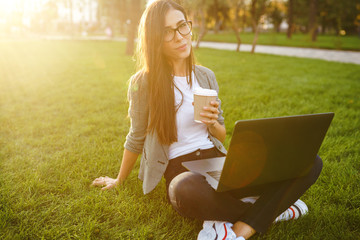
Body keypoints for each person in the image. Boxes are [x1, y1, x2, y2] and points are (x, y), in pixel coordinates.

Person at [92, 1, 323, 239]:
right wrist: (119, 179)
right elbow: (136, 135)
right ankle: (270, 211)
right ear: (155, 39)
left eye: (182, 26)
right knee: (183, 190)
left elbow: (220, 135)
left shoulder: (206, 77)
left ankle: (244, 226)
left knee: (310, 161)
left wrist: (212, 123)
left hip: (217, 162)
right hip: (181, 171)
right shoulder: (143, 83)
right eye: (168, 32)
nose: (180, 37)